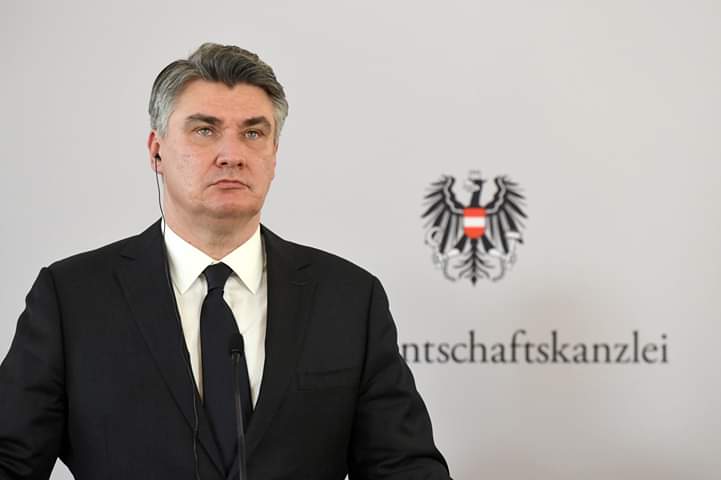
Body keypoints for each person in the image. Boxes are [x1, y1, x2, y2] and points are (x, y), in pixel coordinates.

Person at [0, 43, 451, 480]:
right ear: (156, 151)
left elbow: (403, 466)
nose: (232, 155)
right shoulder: (72, 298)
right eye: (205, 130)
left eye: (253, 133)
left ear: (274, 155)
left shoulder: (349, 298)